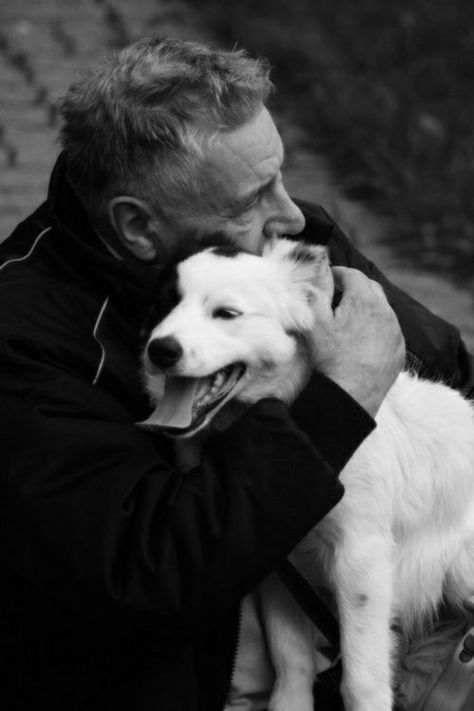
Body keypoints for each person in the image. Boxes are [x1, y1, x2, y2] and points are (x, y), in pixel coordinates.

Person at [0, 37, 471, 711]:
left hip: (392, 628)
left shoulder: (275, 242)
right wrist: (339, 398)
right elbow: (152, 570)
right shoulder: (21, 345)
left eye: (279, 176)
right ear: (138, 227)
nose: (293, 215)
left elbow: (445, 368)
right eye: (254, 196)